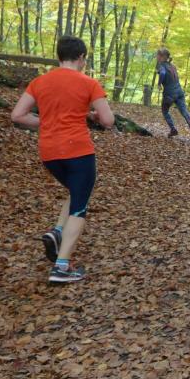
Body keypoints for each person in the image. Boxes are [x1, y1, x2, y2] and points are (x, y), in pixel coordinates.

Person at [11, 36, 114, 283]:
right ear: (81, 57)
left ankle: (58, 232)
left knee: (76, 191)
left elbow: (17, 115)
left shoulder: (39, 82)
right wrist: (93, 116)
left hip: (49, 153)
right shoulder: (89, 83)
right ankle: (62, 267)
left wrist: (47, 122)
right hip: (78, 151)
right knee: (80, 205)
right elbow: (109, 121)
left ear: (59, 56)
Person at [156, 48, 190, 143]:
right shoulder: (172, 66)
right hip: (179, 92)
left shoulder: (162, 66)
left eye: (157, 55)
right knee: (184, 112)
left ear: (162, 56)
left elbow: (162, 73)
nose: (156, 57)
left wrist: (159, 84)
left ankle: (173, 129)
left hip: (169, 94)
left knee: (165, 111)